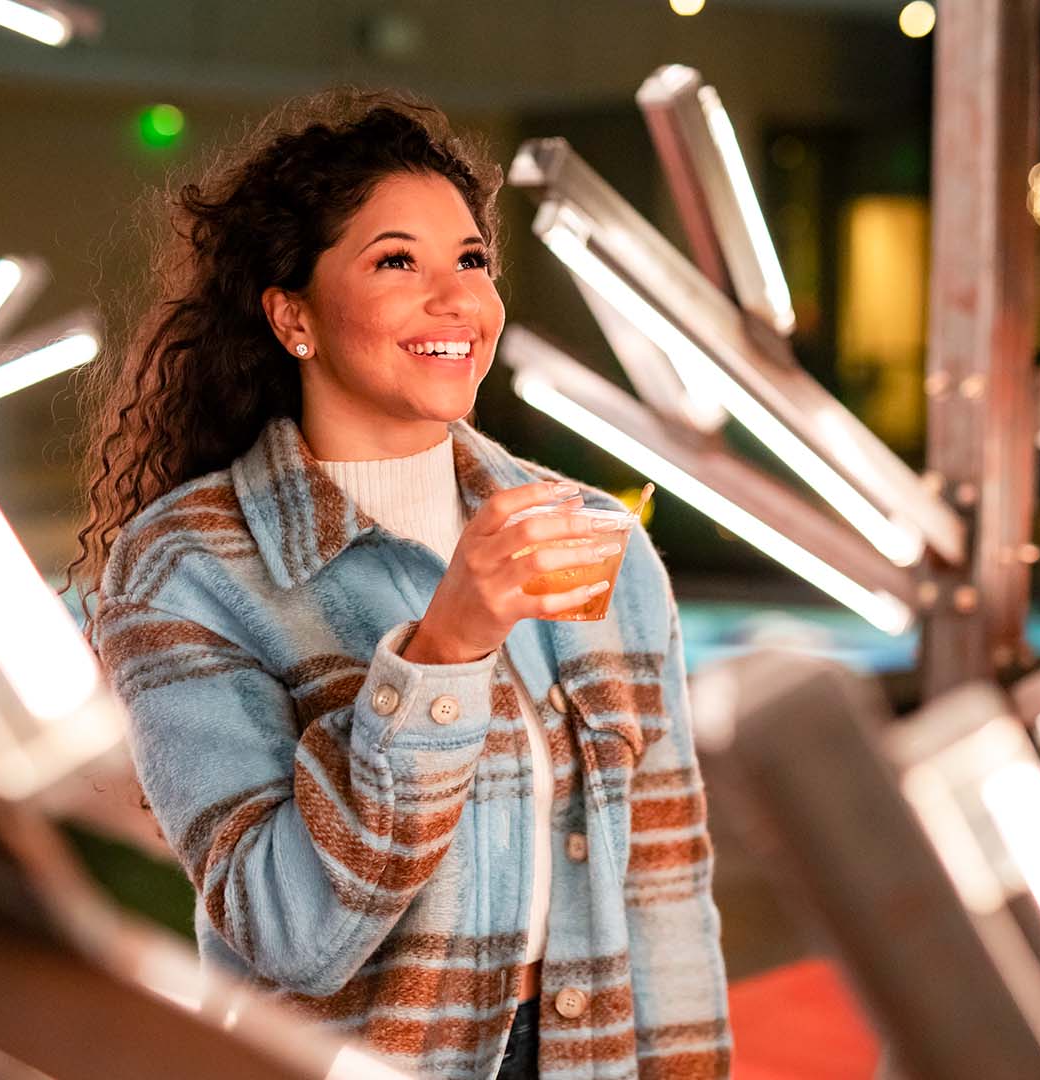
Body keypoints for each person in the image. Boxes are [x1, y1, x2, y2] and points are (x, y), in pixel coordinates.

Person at [64, 88, 732, 1080]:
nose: (457, 299)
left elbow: (666, 883)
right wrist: (442, 653)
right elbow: (289, 935)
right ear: (293, 316)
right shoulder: (187, 570)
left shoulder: (596, 539)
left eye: (471, 260)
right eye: (395, 262)